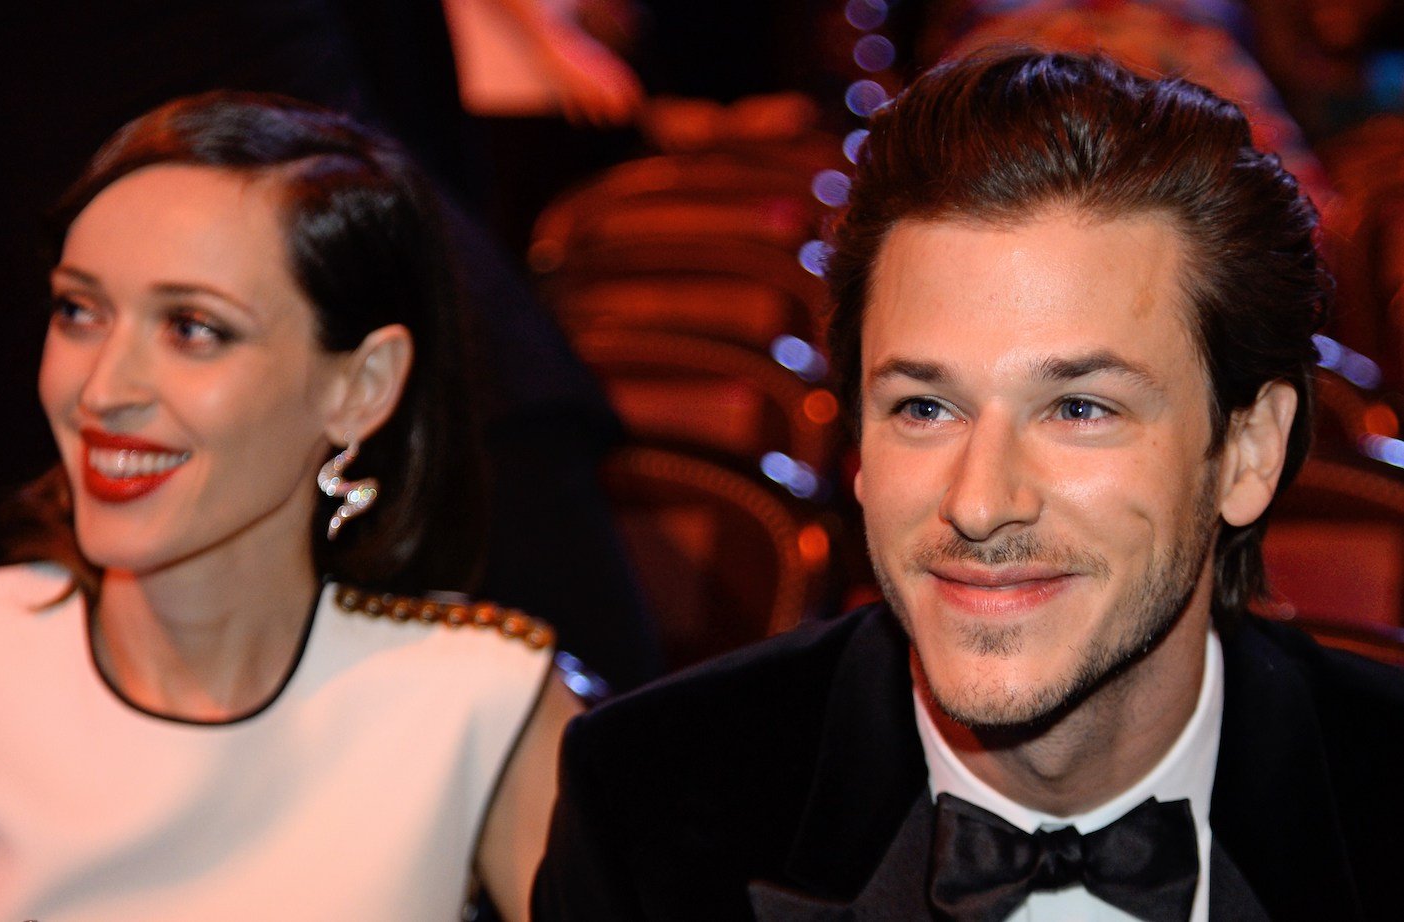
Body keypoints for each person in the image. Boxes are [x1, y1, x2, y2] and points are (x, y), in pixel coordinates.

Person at [533, 50, 1404, 921]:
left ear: (1246, 452)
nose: (979, 503)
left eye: (1077, 408)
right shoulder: (652, 802)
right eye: (923, 408)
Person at [0, 92, 583, 922]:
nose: (102, 389)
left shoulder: (473, 705)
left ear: (359, 387)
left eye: (193, 328)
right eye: (79, 311)